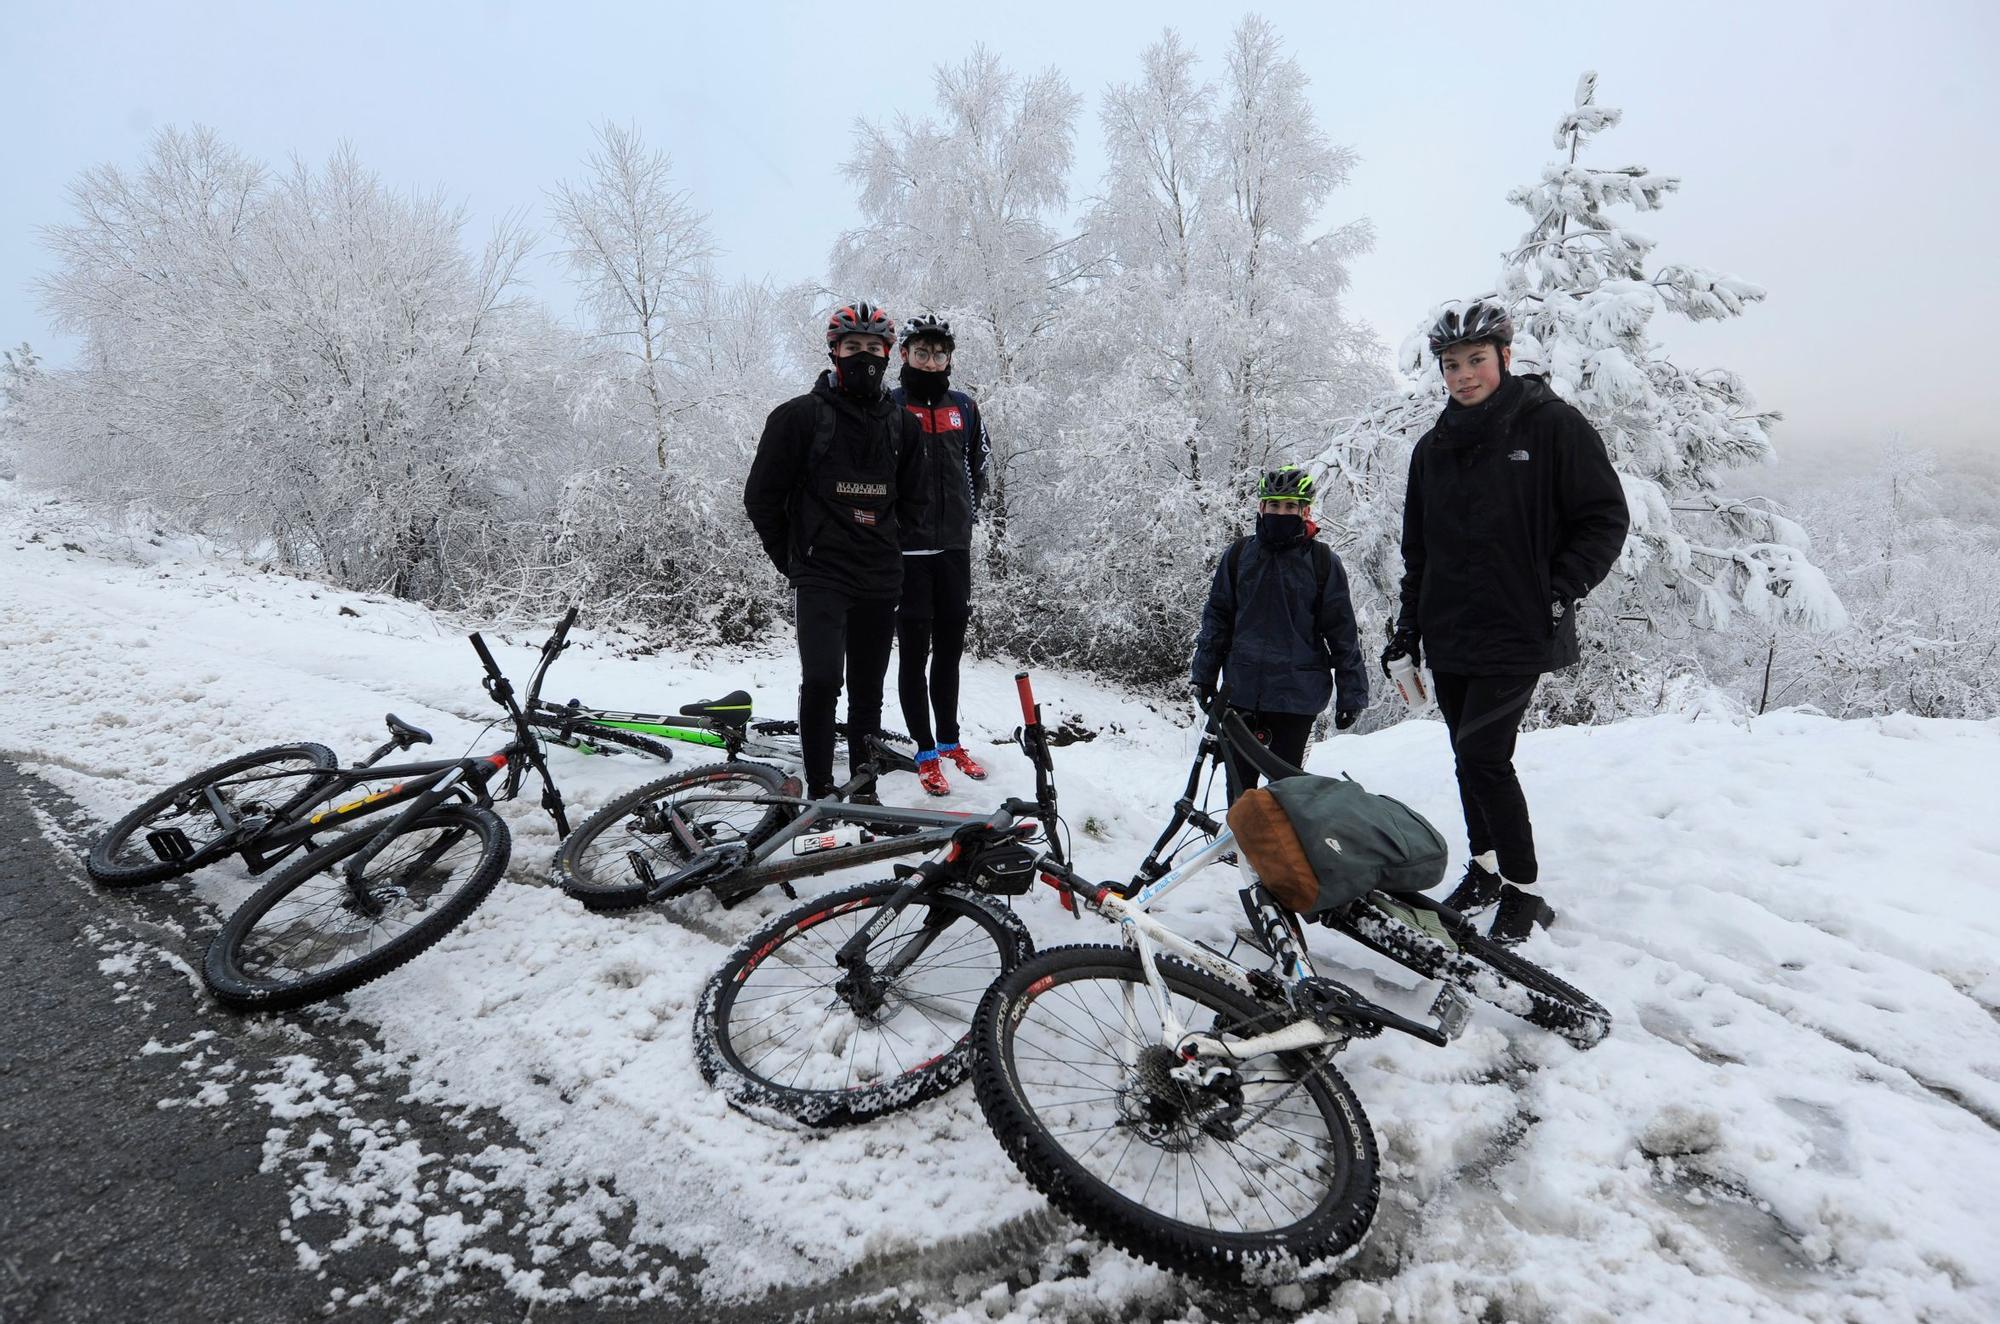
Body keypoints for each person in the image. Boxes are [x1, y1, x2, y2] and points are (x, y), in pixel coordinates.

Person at [1384, 299, 1630, 946]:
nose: (1463, 375)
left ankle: (1523, 889)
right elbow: (1420, 551)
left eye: (1475, 361)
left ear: (1504, 357)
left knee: (1483, 754)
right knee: (1468, 759)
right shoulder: (1432, 449)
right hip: (1450, 630)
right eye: (1451, 364)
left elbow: (1604, 517)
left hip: (1521, 627)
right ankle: (1485, 870)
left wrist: (1558, 589)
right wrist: (1407, 630)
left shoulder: (1550, 426)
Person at [744, 302, 927, 801]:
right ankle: (821, 787)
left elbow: (916, 501)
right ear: (834, 351)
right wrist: (794, 560)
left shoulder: (903, 427)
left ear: (889, 355)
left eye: (873, 348)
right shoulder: (798, 417)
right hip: (822, 572)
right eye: (852, 348)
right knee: (823, 680)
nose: (863, 357)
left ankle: (865, 788)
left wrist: (889, 545)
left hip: (880, 575)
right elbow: (762, 496)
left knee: (868, 692)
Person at [1190, 465, 1368, 804]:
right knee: (1239, 790)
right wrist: (1204, 676)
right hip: (1241, 689)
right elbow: (1217, 619)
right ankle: (1240, 851)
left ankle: (1278, 856)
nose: (1280, 512)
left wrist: (1352, 693)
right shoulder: (1240, 555)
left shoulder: (1322, 561)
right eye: (1273, 505)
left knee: (1286, 792)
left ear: (1304, 510)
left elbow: (1342, 631)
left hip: (1296, 695)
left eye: (1289, 506)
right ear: (1261, 507)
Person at [889, 314, 993, 797]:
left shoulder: (965, 408)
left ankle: (951, 741)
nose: (931, 361)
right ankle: (925, 750)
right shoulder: (890, 407)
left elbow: (979, 466)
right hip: (906, 555)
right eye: (922, 352)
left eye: (940, 353)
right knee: (914, 656)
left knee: (949, 654)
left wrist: (968, 517)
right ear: (904, 354)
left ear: (949, 358)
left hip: (953, 550)